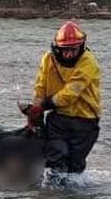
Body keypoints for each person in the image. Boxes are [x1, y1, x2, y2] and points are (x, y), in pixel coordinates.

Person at [23, 20, 102, 177]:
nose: (69, 54)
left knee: (75, 166)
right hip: (59, 118)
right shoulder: (48, 59)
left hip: (85, 120)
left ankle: (68, 196)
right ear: (57, 48)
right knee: (55, 156)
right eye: (65, 50)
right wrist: (34, 113)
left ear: (81, 46)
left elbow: (71, 92)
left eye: (74, 49)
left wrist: (45, 105)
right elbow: (40, 87)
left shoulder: (88, 62)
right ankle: (53, 196)